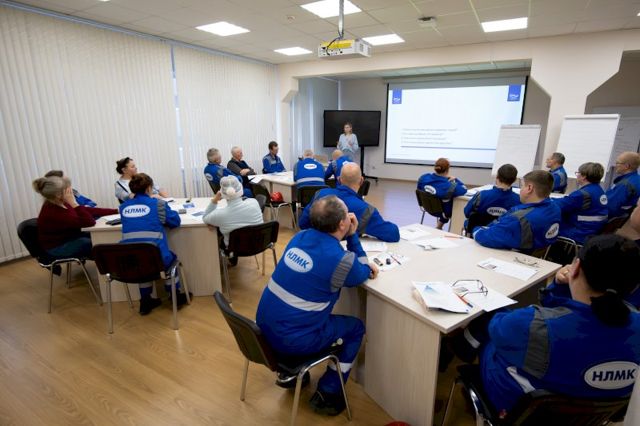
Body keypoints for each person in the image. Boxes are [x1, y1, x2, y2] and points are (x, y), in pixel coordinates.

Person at [448, 235, 640, 417]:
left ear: (576, 268)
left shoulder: (533, 327)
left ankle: (458, 349)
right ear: (633, 285)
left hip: (520, 409)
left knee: (490, 319)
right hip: (592, 414)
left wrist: (558, 287)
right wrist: (561, 286)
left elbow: (499, 327)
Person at [256, 195, 379, 416]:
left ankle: (291, 371)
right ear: (342, 224)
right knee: (355, 328)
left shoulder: (299, 237)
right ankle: (329, 391)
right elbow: (362, 272)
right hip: (293, 341)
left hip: (261, 332)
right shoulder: (342, 261)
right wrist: (353, 236)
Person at [119, 173, 190, 315]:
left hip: (131, 259)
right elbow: (175, 221)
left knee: (141, 261)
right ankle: (174, 296)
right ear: (149, 188)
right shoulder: (158, 204)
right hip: (157, 258)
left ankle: (145, 301)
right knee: (169, 259)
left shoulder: (123, 207)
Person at [300, 163, 400, 242]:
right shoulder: (365, 210)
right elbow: (393, 234)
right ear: (361, 181)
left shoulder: (320, 194)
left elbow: (303, 223)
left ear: (339, 179)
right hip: (343, 251)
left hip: (313, 245)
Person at [473, 170, 561, 252]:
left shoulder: (518, 218)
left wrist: (476, 229)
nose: (520, 190)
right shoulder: (555, 208)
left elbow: (487, 237)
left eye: (522, 186)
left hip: (513, 257)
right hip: (538, 257)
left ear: (529, 188)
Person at [33, 176, 117, 259]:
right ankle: (110, 264)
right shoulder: (53, 212)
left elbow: (88, 210)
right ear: (58, 195)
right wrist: (74, 203)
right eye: (67, 189)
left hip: (71, 237)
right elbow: (89, 222)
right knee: (98, 243)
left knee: (100, 235)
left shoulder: (60, 202)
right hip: (58, 247)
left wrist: (115, 211)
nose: (71, 192)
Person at [202, 176, 263, 265]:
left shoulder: (221, 215)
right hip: (258, 244)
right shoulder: (254, 202)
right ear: (240, 189)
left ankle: (231, 260)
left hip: (234, 249)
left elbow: (205, 217)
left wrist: (215, 200)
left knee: (220, 233)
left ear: (222, 193)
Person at [554, 162, 608, 244]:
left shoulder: (582, 194)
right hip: (594, 229)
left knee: (547, 227)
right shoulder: (599, 190)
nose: (577, 175)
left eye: (578, 173)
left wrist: (547, 199)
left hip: (580, 232)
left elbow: (560, 205)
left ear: (584, 177)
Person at [463, 164, 520, 231]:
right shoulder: (519, 200)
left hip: (478, 232)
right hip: (504, 234)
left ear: (497, 176)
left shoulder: (481, 195)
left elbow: (467, 212)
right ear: (515, 180)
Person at [417, 158, 467, 230]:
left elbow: (419, 189)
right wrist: (455, 179)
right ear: (447, 170)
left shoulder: (423, 177)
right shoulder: (450, 186)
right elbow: (464, 189)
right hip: (442, 213)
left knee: (445, 200)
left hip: (426, 207)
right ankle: (439, 227)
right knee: (451, 202)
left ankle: (439, 227)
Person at [606, 151, 640, 219]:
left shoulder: (625, 185)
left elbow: (610, 207)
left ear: (627, 166)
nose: (615, 165)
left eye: (617, 163)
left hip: (611, 219)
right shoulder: (637, 179)